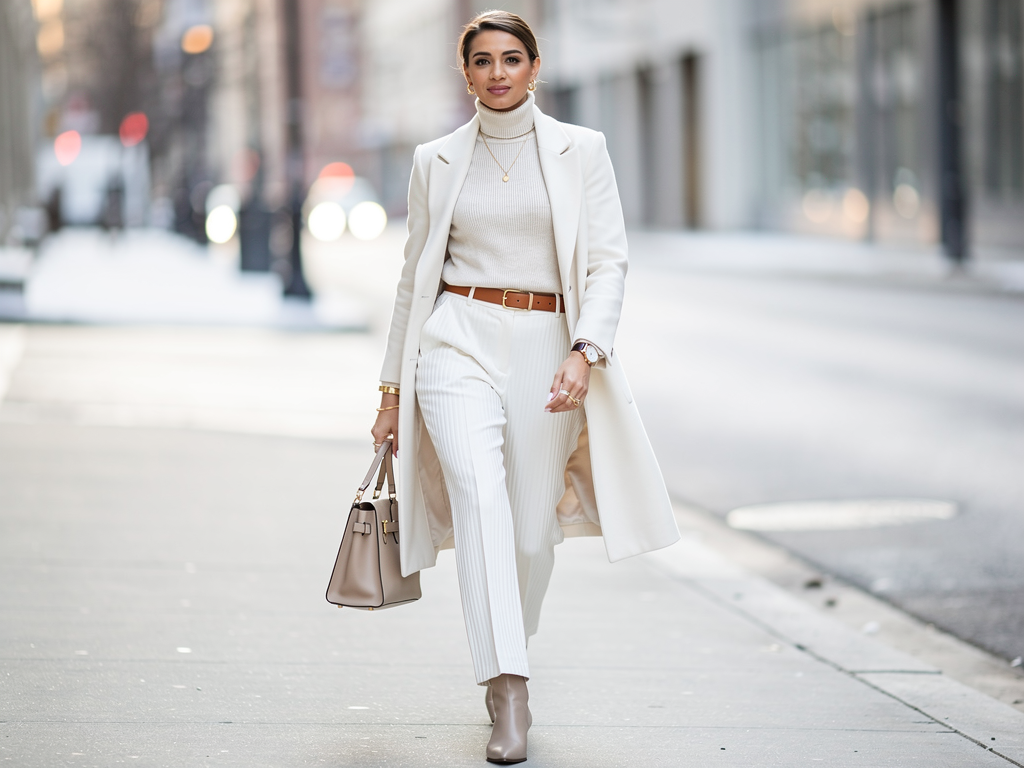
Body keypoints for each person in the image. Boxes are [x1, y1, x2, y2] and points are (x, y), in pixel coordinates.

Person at [371, 10, 679, 764]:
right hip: (456, 338)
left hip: (548, 343)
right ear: (466, 72)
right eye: (482, 60)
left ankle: (508, 630)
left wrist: (586, 350)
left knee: (530, 531)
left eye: (513, 58)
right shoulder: (435, 159)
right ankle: (509, 685)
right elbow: (414, 282)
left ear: (535, 68)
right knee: (478, 494)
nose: (498, 71)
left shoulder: (583, 151)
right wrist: (388, 392)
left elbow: (607, 262)